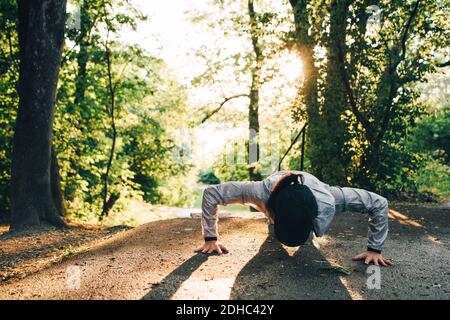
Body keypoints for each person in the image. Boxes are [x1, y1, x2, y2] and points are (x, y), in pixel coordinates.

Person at [196, 170, 393, 266]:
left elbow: (379, 203)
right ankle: (275, 222)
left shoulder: (331, 198)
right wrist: (210, 239)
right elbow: (212, 193)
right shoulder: (258, 193)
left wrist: (374, 250)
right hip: (275, 193)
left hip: (311, 195)